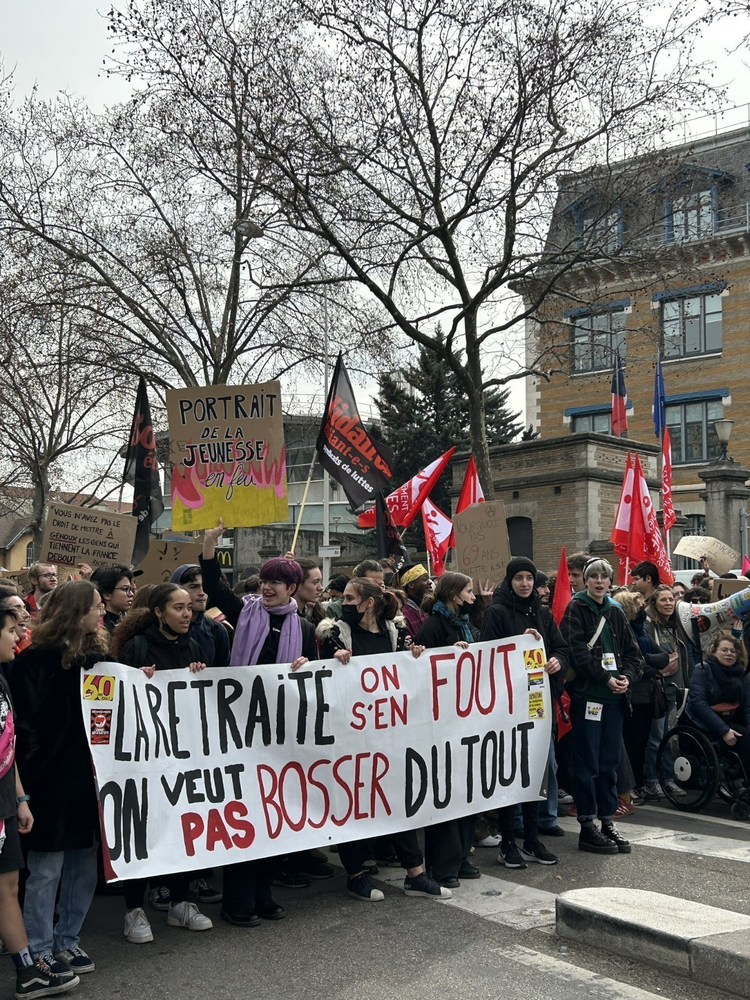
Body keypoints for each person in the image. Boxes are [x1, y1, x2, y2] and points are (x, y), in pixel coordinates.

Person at [199, 521, 315, 921]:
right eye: (264, 580)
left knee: (274, 818)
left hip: (280, 736)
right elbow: (214, 587)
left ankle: (263, 896)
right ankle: (238, 904)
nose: (267, 587)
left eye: (276, 582)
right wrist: (209, 544)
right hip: (241, 731)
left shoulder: (305, 628)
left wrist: (321, 662)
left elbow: (318, 678)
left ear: (292, 588)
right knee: (247, 818)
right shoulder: (244, 612)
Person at [316, 578, 449, 902]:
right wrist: (333, 660)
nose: (344, 603)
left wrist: (417, 654)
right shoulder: (335, 634)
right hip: (350, 736)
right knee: (354, 802)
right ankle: (356, 875)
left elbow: (408, 671)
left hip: (389, 735)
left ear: (369, 602)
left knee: (397, 799)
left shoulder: (396, 632)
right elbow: (322, 674)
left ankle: (415, 874)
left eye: (351, 598)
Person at [11, 582, 110, 975]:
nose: (102, 612)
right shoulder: (34, 661)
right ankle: (39, 948)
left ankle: (68, 939)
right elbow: (25, 728)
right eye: (96, 605)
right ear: (76, 610)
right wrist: (28, 788)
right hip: (48, 782)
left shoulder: (99, 660)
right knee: (46, 869)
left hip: (89, 780)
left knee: (83, 865)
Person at [110, 584, 213, 941]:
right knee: (141, 829)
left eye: (189, 608)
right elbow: (117, 697)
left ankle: (180, 903)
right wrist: (137, 680)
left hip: (182, 757)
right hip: (143, 759)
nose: (186, 614)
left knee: (182, 826)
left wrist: (200, 674)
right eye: (178, 608)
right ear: (158, 612)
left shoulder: (194, 647)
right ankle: (133, 909)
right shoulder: (136, 648)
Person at [0, 599, 81, 1000]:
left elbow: (8, 745)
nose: (17, 636)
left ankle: (30, 968)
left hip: (8, 797)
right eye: (8, 630)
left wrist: (19, 798)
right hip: (11, 796)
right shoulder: (23, 669)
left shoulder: (3, 681)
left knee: (9, 883)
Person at [480, 558, 568, 867]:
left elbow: (561, 648)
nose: (525, 583)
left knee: (536, 775)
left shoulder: (543, 613)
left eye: (529, 578)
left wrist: (557, 661)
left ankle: (532, 840)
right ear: (509, 581)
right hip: (508, 707)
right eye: (519, 578)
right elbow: (486, 655)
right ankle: (508, 843)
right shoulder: (497, 612)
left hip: (537, 706)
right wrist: (516, 645)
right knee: (510, 776)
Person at [561, 558, 642, 855]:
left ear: (610, 582)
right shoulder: (576, 608)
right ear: (585, 581)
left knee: (609, 763)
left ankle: (607, 821)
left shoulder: (615, 611)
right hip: (589, 698)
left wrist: (627, 678)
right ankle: (587, 824)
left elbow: (634, 655)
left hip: (615, 702)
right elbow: (576, 653)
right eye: (593, 576)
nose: (598, 581)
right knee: (588, 764)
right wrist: (606, 679)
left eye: (603, 577)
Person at [415, 573, 481, 888]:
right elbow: (422, 671)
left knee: (467, 791)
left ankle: (461, 856)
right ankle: (442, 865)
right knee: (445, 793)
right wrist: (448, 656)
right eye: (469, 591)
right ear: (454, 595)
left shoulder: (465, 623)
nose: (473, 597)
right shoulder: (433, 626)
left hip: (465, 719)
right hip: (441, 723)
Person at [613, 591, 669, 803]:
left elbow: (663, 657)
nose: (642, 609)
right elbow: (632, 665)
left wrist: (646, 662)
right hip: (633, 696)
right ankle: (631, 785)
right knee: (632, 743)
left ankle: (639, 782)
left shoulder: (642, 632)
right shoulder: (623, 632)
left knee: (642, 743)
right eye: (639, 605)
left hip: (648, 696)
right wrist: (648, 666)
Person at [644, 584, 692, 799]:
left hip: (675, 691)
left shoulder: (677, 627)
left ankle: (668, 778)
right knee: (656, 738)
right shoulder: (648, 626)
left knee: (669, 738)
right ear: (654, 603)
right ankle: (654, 780)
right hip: (658, 691)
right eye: (663, 599)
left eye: (671, 599)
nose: (668, 603)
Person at [685, 633, 750, 779]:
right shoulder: (702, 670)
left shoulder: (741, 673)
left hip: (730, 717)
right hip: (704, 722)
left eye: (733, 651)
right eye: (724, 650)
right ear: (714, 652)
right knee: (744, 738)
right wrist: (723, 730)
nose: (729, 654)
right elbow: (699, 704)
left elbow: (747, 706)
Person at [170, 565, 231, 668]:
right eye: (194, 587)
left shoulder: (217, 630)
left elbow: (223, 672)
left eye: (206, 586)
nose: (202, 593)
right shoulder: (160, 630)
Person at [90, 564, 135, 634]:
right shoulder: (96, 627)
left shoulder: (122, 622)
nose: (131, 594)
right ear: (107, 594)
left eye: (130, 589)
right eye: (125, 589)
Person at [398, 564, 431, 637]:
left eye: (429, 579)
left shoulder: (427, 608)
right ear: (411, 585)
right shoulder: (404, 613)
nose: (430, 582)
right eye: (424, 580)